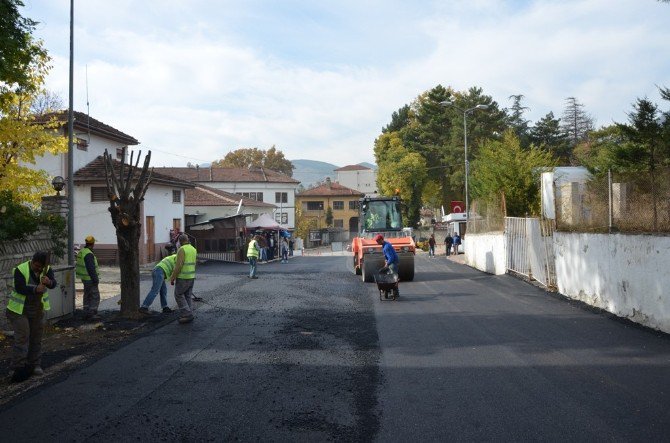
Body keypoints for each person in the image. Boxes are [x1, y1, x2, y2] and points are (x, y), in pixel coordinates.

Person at [6, 251, 57, 382]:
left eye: (41, 267)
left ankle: (34, 365)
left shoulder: (47, 269)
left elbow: (54, 284)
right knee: (23, 337)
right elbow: (19, 288)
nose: (39, 269)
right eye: (37, 266)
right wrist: (35, 289)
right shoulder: (20, 269)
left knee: (36, 337)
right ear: (32, 261)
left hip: (37, 310)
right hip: (19, 310)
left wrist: (49, 282)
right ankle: (17, 367)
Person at [170, 234, 197, 324]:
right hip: (191, 276)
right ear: (188, 240)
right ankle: (189, 313)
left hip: (183, 277)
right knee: (187, 295)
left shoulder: (182, 249)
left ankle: (187, 313)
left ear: (180, 242)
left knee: (178, 295)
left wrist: (173, 277)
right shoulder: (193, 249)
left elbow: (179, 266)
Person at [76, 235, 101, 321]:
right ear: (93, 244)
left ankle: (86, 312)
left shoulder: (82, 251)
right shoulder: (89, 254)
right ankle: (92, 313)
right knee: (95, 296)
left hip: (84, 278)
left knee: (87, 295)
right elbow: (91, 268)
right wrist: (95, 279)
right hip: (90, 279)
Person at [374, 234, 400, 298]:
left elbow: (391, 258)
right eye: (376, 241)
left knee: (393, 278)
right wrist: (386, 261)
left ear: (381, 240)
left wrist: (387, 264)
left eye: (378, 241)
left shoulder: (386, 247)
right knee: (392, 277)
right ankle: (390, 291)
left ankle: (395, 293)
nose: (377, 242)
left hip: (393, 264)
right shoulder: (385, 244)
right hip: (392, 263)